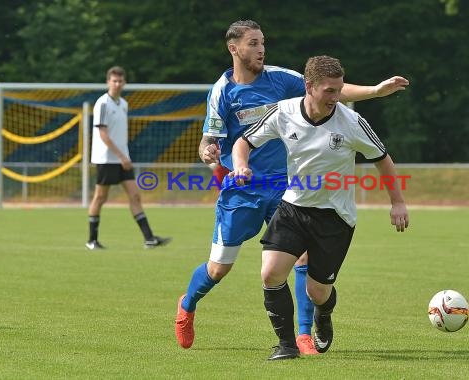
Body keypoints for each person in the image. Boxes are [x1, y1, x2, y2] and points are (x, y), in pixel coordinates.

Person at [174, 20, 409, 354]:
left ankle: (301, 335)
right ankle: (188, 303)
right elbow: (208, 141)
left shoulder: (280, 78)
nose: (261, 50)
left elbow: (331, 89)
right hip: (243, 188)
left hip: (288, 188)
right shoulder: (222, 91)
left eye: (263, 43)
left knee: (300, 257)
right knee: (219, 268)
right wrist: (209, 152)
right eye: (253, 43)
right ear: (234, 48)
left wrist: (373, 91)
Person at [230, 55, 409, 360]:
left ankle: (323, 315)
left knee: (318, 293)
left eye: (339, 90)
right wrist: (240, 165)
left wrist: (397, 202)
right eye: (329, 91)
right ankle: (286, 345)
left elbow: (382, 159)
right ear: (309, 87)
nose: (336, 98)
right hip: (293, 208)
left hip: (334, 218)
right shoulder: (284, 112)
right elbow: (243, 142)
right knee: (271, 273)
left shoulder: (351, 122)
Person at [86, 66, 171, 250]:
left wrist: (125, 156)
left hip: (122, 159)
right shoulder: (102, 103)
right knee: (100, 197)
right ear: (108, 82)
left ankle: (149, 238)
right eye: (113, 81)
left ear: (124, 83)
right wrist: (121, 156)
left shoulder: (123, 104)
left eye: (120, 81)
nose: (117, 84)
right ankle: (92, 240)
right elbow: (103, 134)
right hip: (106, 159)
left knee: (135, 195)